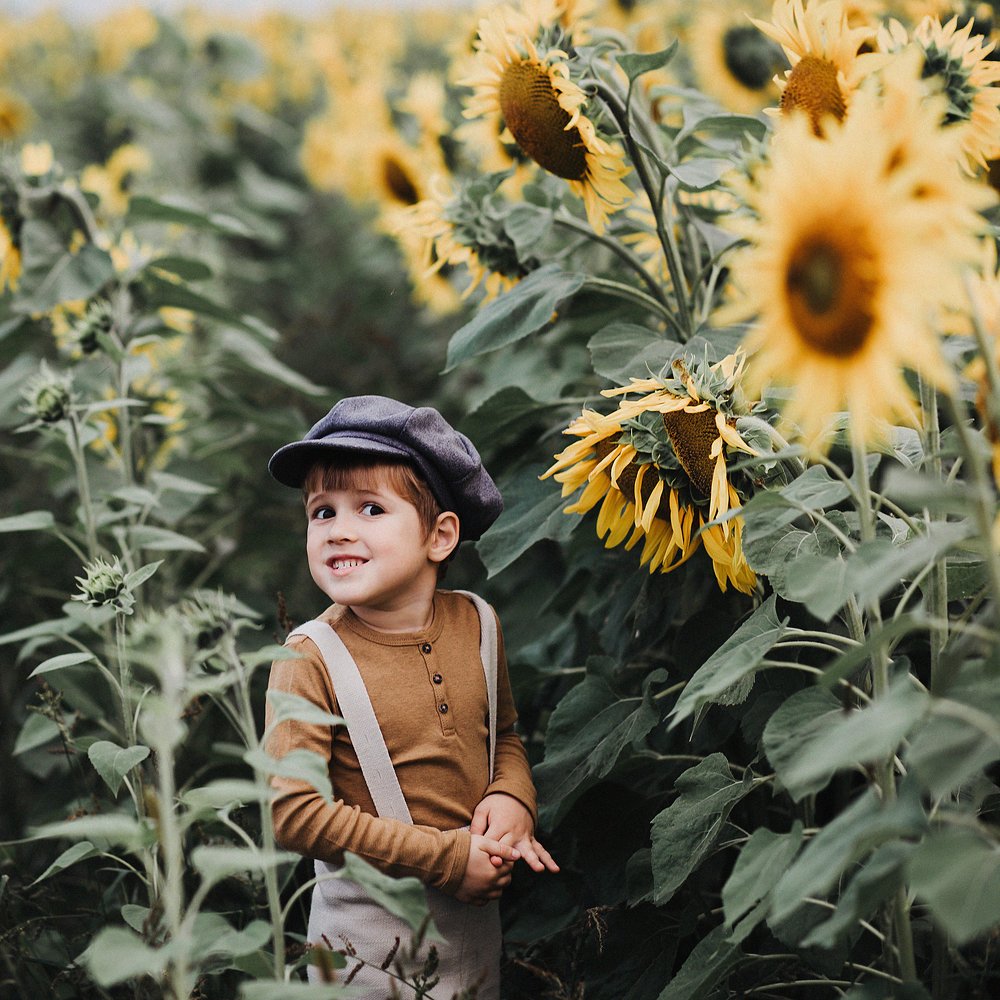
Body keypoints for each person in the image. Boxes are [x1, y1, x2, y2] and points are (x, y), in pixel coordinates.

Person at [265, 394, 557, 997]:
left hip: (476, 945)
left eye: (370, 508)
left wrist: (513, 797)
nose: (339, 529)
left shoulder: (478, 623)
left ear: (440, 535)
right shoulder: (310, 656)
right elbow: (292, 814)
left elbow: (502, 735)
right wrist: (447, 859)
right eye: (322, 512)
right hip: (363, 957)